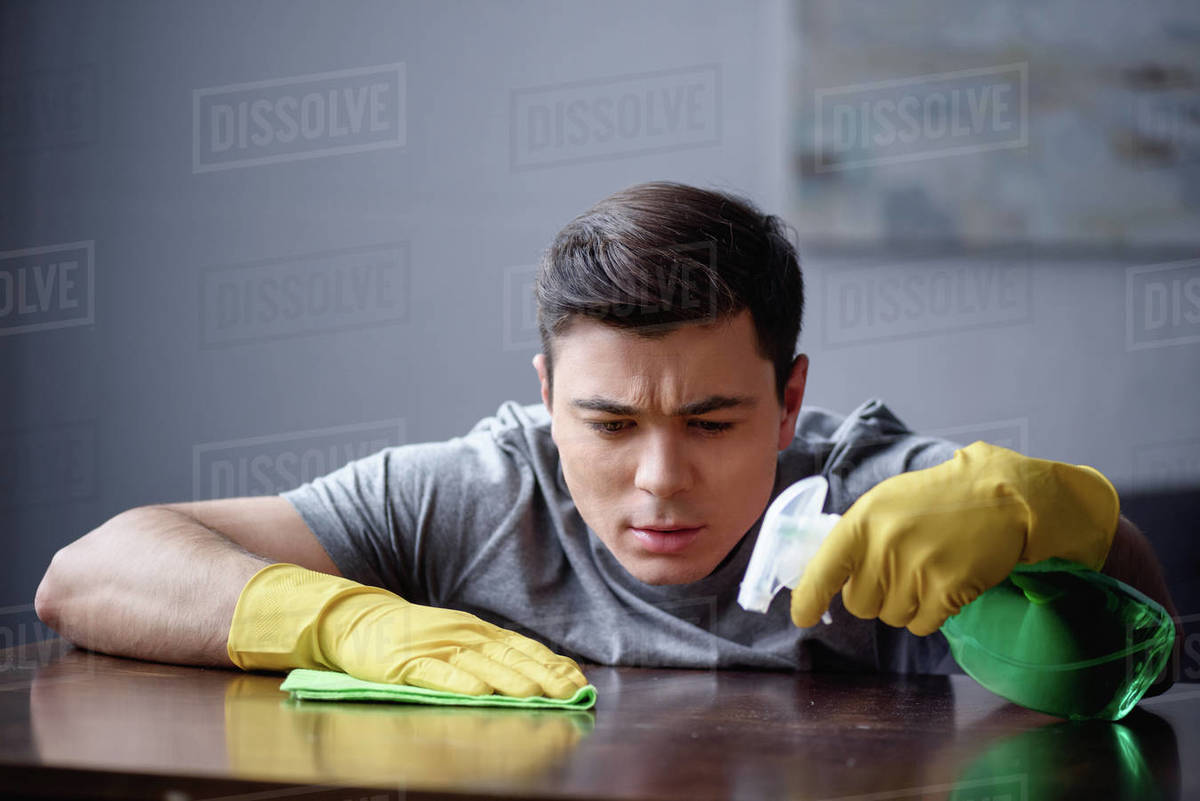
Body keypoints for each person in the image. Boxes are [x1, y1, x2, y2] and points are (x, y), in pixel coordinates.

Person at [34, 182, 1179, 699]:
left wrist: (1070, 520)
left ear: (790, 401)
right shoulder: (480, 494)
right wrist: (346, 621)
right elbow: (87, 575)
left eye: (714, 420)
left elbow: (1153, 654)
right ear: (546, 396)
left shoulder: (880, 505)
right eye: (609, 423)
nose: (660, 479)